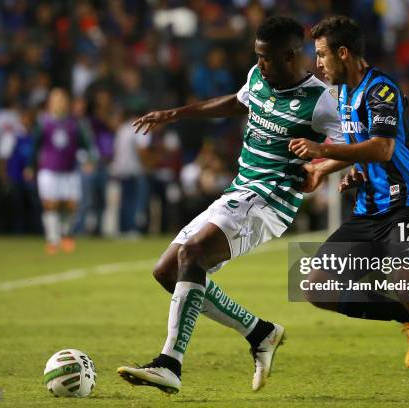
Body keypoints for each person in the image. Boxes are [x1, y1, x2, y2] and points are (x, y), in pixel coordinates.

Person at [117, 16, 345, 394]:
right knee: (166, 272)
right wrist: (177, 113)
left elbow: (352, 146)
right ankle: (260, 332)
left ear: (291, 56)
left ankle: (169, 364)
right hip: (239, 191)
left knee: (192, 254)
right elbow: (238, 102)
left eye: (267, 58)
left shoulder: (322, 101)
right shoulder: (260, 77)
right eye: (257, 57)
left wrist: (321, 167)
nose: (260, 65)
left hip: (271, 201)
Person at [288, 16, 409, 404]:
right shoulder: (340, 94)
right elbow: (358, 146)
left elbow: (382, 148)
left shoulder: (381, 90)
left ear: (343, 53)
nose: (317, 63)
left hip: (404, 204)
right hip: (368, 209)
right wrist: (324, 172)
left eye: (322, 55)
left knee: (407, 283)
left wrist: (322, 150)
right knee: (315, 287)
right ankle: (408, 320)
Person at [26, 88, 95, 254]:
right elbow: (34, 146)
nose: (59, 103)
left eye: (62, 100)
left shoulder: (74, 123)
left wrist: (89, 160)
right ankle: (52, 239)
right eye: (56, 100)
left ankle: (67, 235)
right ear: (50, 103)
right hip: (49, 169)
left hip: (69, 170)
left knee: (70, 204)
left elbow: (86, 144)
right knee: (51, 204)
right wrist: (30, 166)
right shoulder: (43, 123)